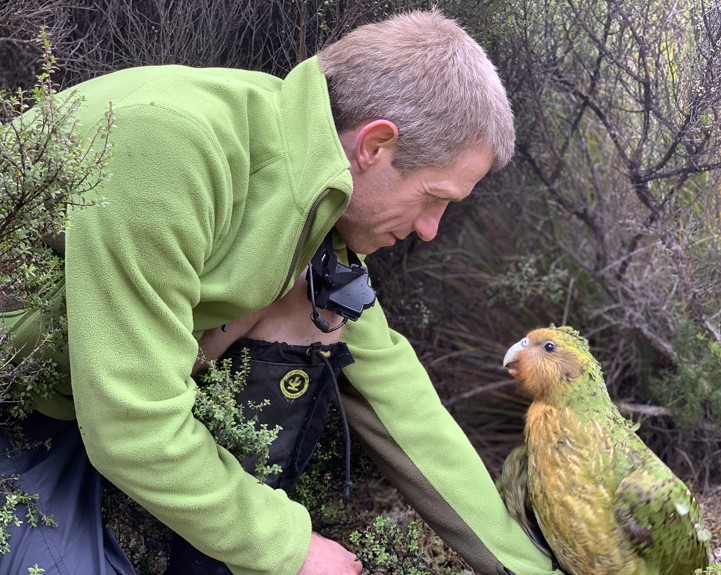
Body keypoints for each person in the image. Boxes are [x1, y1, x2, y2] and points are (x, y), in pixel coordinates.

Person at [0, 9, 561, 575]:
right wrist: (290, 549)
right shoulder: (175, 147)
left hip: (88, 401)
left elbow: (399, 399)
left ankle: (208, 556)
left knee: (318, 301)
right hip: (20, 405)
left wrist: (524, 568)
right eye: (433, 197)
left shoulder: (310, 185)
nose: (430, 228)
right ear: (375, 145)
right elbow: (130, 424)